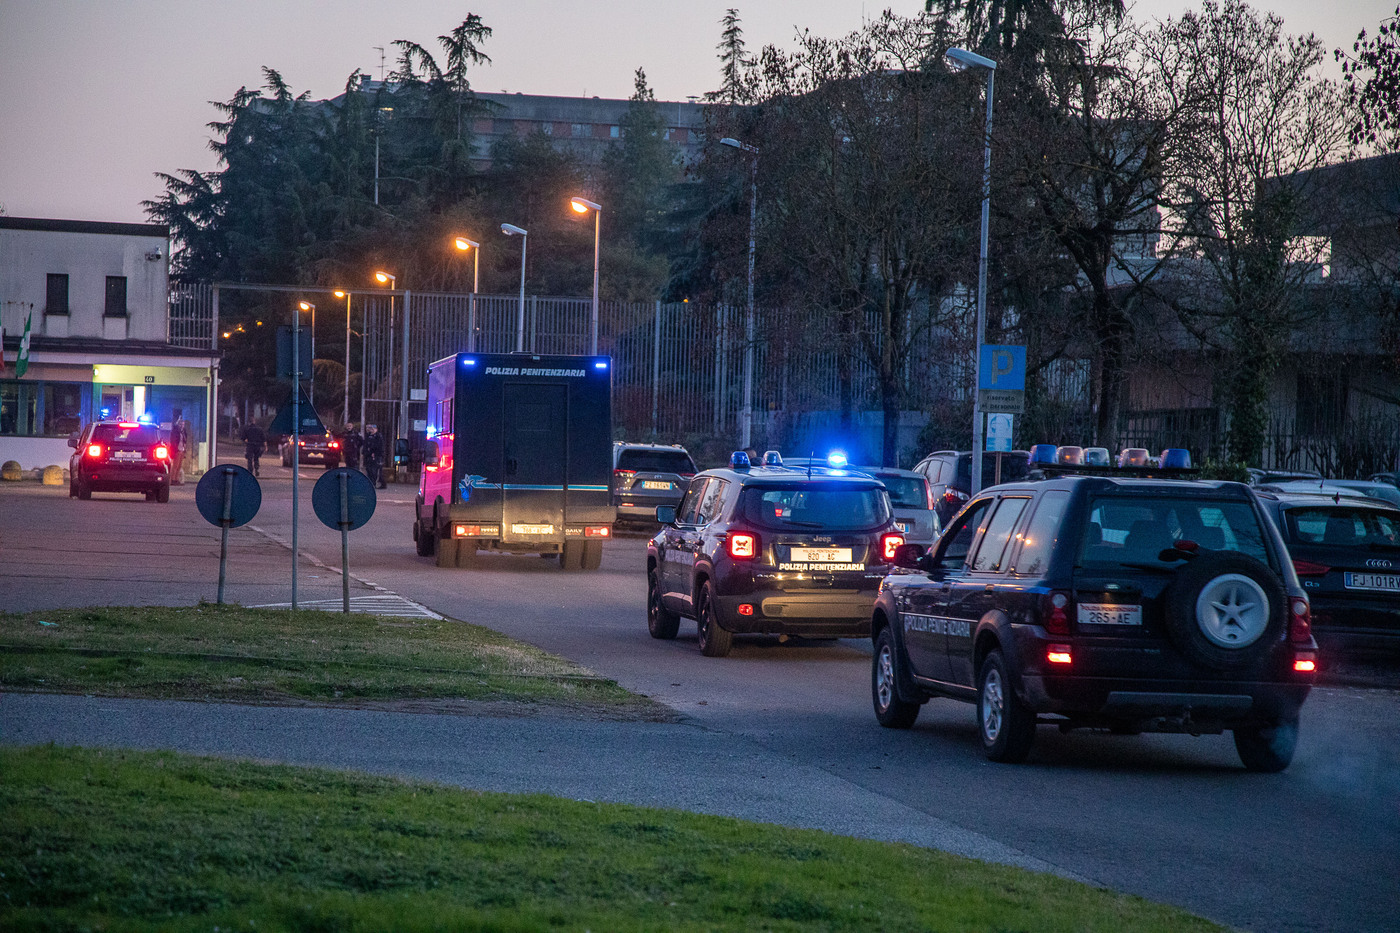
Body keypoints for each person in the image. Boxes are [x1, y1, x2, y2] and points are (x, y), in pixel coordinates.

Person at [363, 423, 385, 488]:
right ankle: (370, 483)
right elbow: (365, 445)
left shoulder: (378, 436)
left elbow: (379, 446)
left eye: (373, 429)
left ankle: (374, 483)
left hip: (375, 456)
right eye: (371, 429)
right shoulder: (368, 436)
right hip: (368, 455)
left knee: (374, 470)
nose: (371, 430)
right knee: (369, 469)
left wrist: (375, 453)